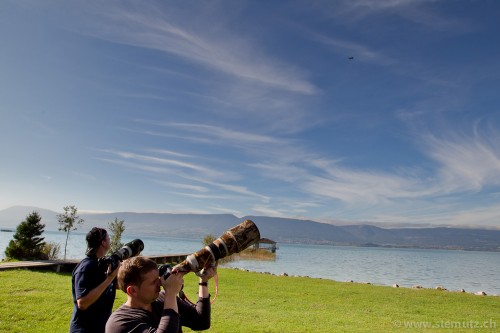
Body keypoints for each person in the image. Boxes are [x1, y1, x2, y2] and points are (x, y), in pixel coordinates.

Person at [105, 256, 215, 333]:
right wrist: (171, 293)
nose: (160, 283)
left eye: (158, 278)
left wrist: (203, 281)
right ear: (132, 291)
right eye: (153, 282)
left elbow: (201, 322)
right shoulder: (119, 323)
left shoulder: (163, 298)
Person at [70, 227, 120, 333]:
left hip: (102, 327)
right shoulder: (85, 267)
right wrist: (109, 278)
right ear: (103, 242)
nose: (110, 240)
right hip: (84, 329)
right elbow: (82, 303)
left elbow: (116, 286)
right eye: (108, 238)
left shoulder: (103, 265)